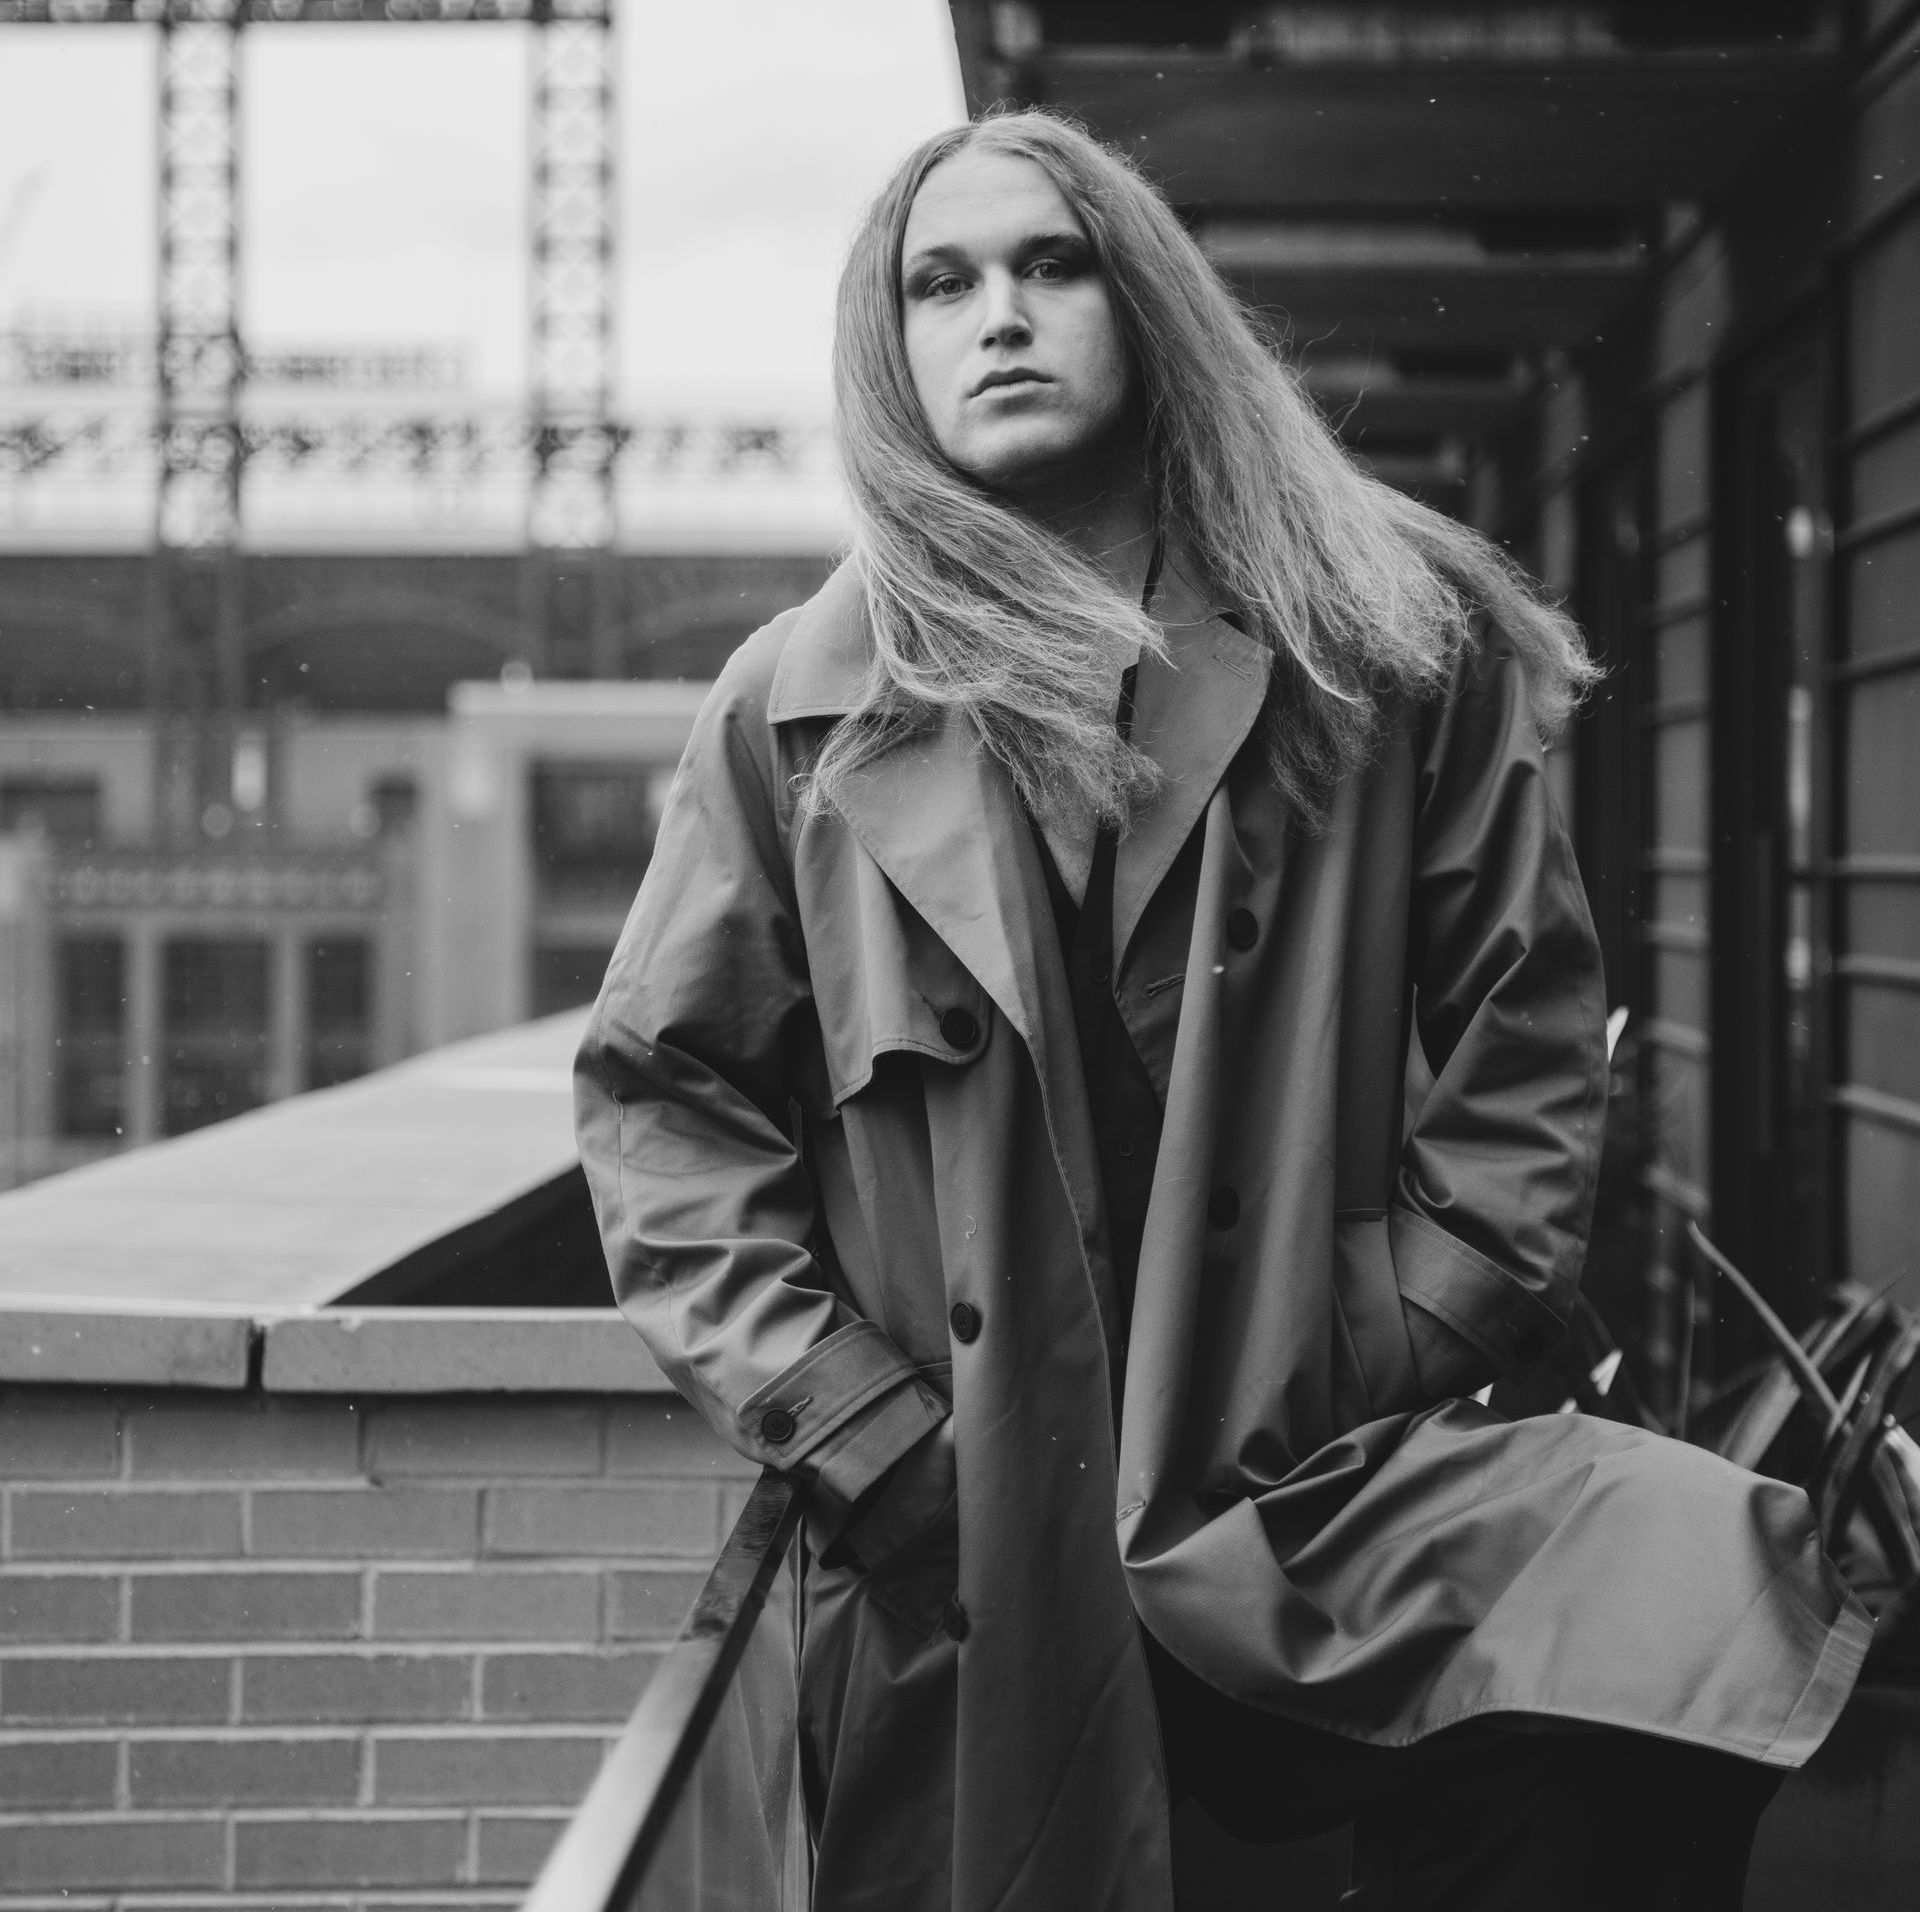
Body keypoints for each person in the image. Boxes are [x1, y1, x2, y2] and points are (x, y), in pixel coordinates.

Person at [574, 110, 1868, 1912]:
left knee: (1676, 1630)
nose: (998, 317)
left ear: (1148, 301)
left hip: (1325, 1466)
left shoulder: (1376, 631)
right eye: (939, 284)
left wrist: (1410, 1319)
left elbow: (1533, 1019)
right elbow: (663, 1099)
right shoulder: (791, 707)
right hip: (979, 1527)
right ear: (891, 354)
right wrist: (860, 1434)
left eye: (1051, 263)